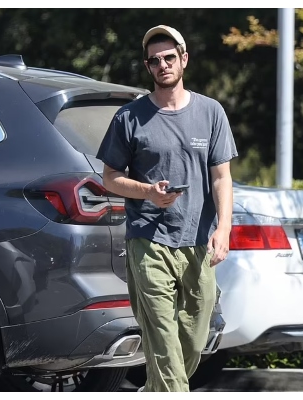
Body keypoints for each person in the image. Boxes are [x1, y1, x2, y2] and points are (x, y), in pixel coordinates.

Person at [96, 25, 237, 392]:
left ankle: (156, 391)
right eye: (154, 60)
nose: (162, 65)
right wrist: (147, 192)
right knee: (161, 336)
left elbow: (222, 178)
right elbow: (110, 178)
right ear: (148, 67)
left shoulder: (211, 113)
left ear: (183, 59)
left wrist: (223, 229)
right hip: (149, 242)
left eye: (169, 57)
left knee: (192, 338)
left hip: (197, 242)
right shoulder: (130, 118)